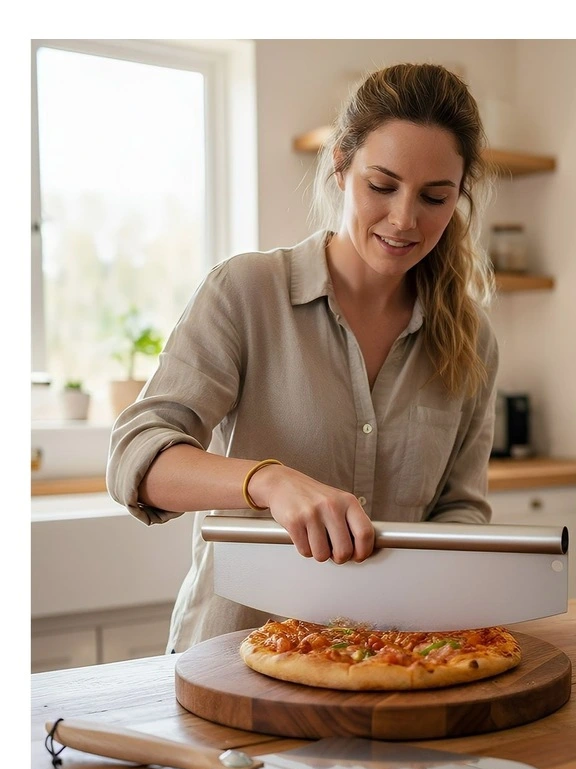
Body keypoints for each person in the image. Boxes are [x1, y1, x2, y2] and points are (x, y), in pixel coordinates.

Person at [107, 62, 500, 653]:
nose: (404, 219)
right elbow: (135, 458)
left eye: (435, 197)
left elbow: (461, 512)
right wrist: (268, 481)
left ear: (459, 197)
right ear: (341, 166)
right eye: (382, 185)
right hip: (229, 664)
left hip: (391, 664)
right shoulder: (245, 291)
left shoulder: (470, 337)